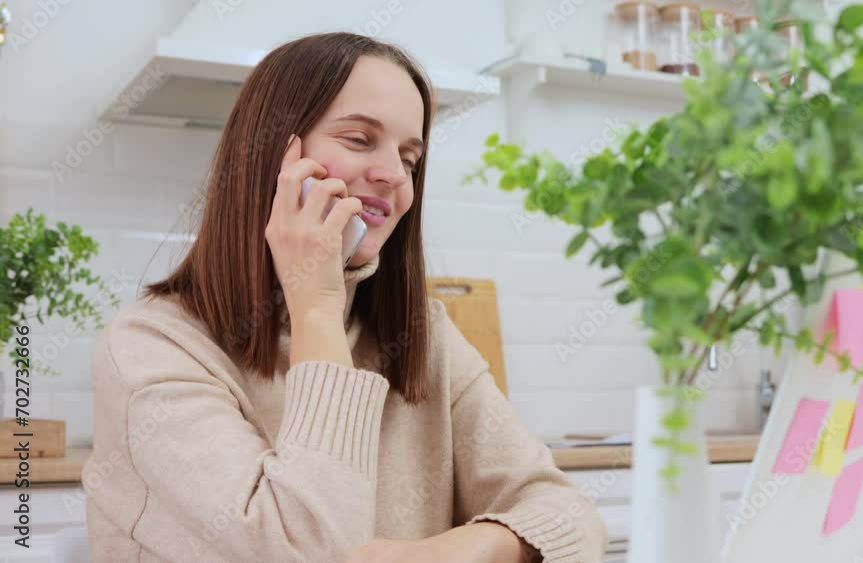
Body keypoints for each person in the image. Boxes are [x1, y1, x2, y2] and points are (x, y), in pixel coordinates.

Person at [83, 32, 608, 562]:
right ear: (273, 153)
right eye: (359, 139)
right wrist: (316, 308)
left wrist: (458, 551)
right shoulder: (152, 349)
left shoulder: (425, 338)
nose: (393, 175)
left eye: (410, 158)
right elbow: (310, 550)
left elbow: (570, 516)